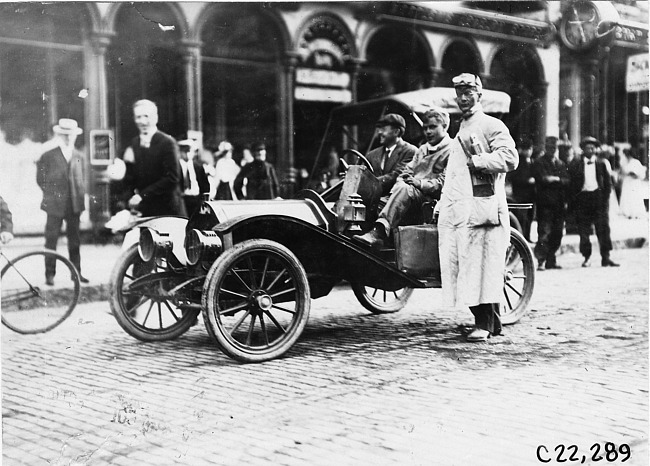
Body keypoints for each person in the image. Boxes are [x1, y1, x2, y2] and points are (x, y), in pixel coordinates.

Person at [437, 73, 518, 342]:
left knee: (482, 265)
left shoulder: (491, 124)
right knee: (466, 265)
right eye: (459, 93)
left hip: (483, 208)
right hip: (461, 209)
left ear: (479, 94)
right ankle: (488, 323)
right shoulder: (462, 127)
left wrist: (481, 161)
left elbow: (510, 158)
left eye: (468, 92)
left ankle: (485, 325)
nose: (463, 98)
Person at [353, 107, 452, 248]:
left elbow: (444, 183)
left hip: (431, 200)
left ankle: (379, 232)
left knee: (404, 189)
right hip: (410, 193)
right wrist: (402, 182)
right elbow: (406, 172)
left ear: (445, 126)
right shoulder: (423, 149)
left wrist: (419, 183)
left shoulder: (451, 150)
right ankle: (373, 239)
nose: (428, 132)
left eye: (432, 127)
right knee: (374, 201)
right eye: (425, 128)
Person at [36, 118, 89, 284]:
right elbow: (40, 179)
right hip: (54, 204)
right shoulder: (48, 156)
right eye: (64, 135)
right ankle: (49, 275)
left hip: (74, 204)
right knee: (51, 239)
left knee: (75, 241)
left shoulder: (79, 156)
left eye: (70, 134)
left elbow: (83, 178)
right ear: (59, 135)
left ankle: (76, 274)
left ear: (75, 135)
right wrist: (52, 194)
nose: (68, 138)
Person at [123, 99, 186, 217]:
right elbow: (134, 180)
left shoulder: (167, 142)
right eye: (138, 117)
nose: (142, 121)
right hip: (146, 211)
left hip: (168, 210)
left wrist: (142, 196)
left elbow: (172, 178)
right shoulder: (135, 143)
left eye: (146, 116)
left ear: (155, 118)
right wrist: (127, 165)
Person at [568, 136, 619, 267]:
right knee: (584, 231)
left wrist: (604, 201)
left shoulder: (602, 163)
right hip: (583, 199)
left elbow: (608, 184)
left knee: (603, 229)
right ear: (582, 150)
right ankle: (586, 257)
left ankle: (606, 257)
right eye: (587, 148)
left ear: (596, 149)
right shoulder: (576, 164)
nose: (590, 150)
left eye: (592, 147)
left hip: (599, 200)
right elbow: (572, 184)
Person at [531, 136, 570, 270]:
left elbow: (567, 181)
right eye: (549, 148)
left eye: (554, 148)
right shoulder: (539, 163)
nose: (552, 150)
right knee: (544, 232)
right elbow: (542, 179)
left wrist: (555, 179)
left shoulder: (561, 164)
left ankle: (551, 260)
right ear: (545, 148)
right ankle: (541, 260)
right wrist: (557, 180)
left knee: (557, 233)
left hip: (558, 204)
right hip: (545, 204)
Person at [364, 113, 417, 198]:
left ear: (396, 132)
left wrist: (370, 183)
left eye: (384, 129)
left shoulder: (410, 151)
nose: (379, 132)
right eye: (379, 129)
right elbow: (364, 173)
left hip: (394, 200)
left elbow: (397, 175)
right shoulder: (372, 155)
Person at [508, 138, 535, 241]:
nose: (528, 151)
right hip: (520, 194)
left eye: (529, 149)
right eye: (526, 149)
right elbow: (514, 177)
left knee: (529, 217)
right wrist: (528, 180)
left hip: (530, 195)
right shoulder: (519, 161)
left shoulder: (532, 161)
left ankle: (527, 237)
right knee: (522, 217)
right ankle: (522, 238)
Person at [178, 139, 210, 215]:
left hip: (196, 199)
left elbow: (205, 186)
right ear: (180, 152)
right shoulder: (176, 167)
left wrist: (205, 203)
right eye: (185, 151)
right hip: (183, 200)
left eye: (190, 151)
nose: (187, 154)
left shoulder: (198, 167)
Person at [618, 149, 647, 219]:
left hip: (634, 182)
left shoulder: (636, 162)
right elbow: (622, 172)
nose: (626, 156)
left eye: (627, 154)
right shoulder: (624, 162)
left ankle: (635, 213)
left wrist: (632, 174)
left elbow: (640, 174)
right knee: (627, 196)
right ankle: (627, 212)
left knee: (634, 196)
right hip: (627, 182)